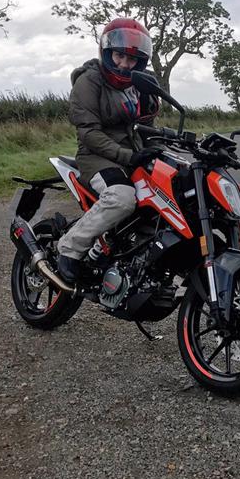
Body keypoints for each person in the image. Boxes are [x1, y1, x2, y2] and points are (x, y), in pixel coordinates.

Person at [56, 18, 160, 282]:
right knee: (122, 197)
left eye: (132, 59)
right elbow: (89, 133)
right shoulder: (89, 82)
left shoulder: (141, 86)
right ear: (107, 52)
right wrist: (129, 156)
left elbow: (148, 126)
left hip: (129, 156)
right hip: (96, 157)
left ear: (141, 61)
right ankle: (69, 248)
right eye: (119, 55)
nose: (125, 64)